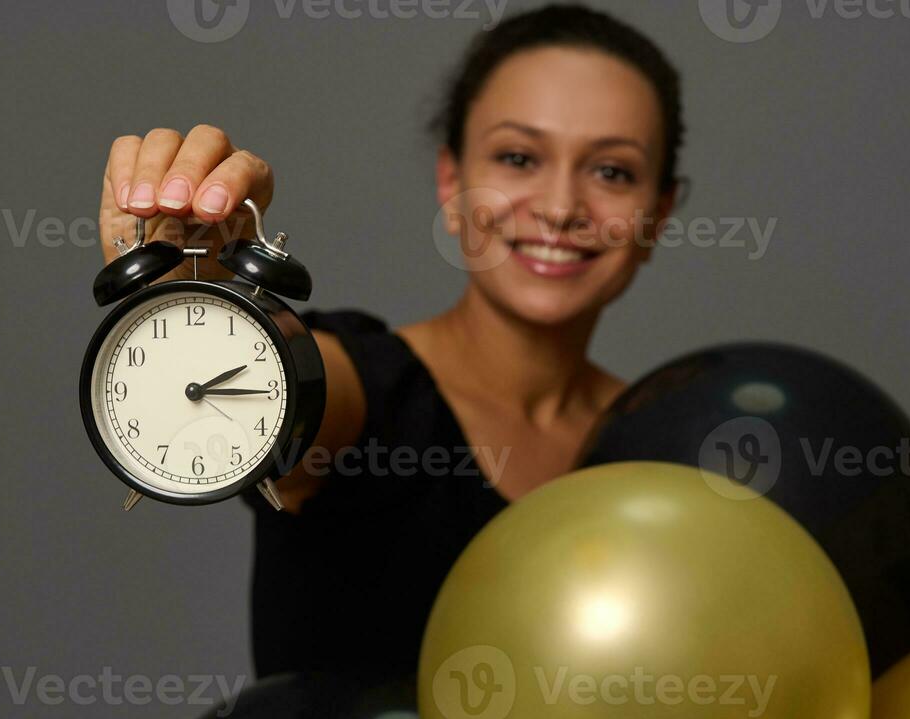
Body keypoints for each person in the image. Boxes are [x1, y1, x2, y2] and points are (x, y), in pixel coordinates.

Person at [95, 4, 684, 681]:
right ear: (450, 180)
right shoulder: (365, 391)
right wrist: (192, 293)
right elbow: (281, 399)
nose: (559, 207)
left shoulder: (674, 452)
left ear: (659, 212)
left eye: (611, 171)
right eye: (518, 158)